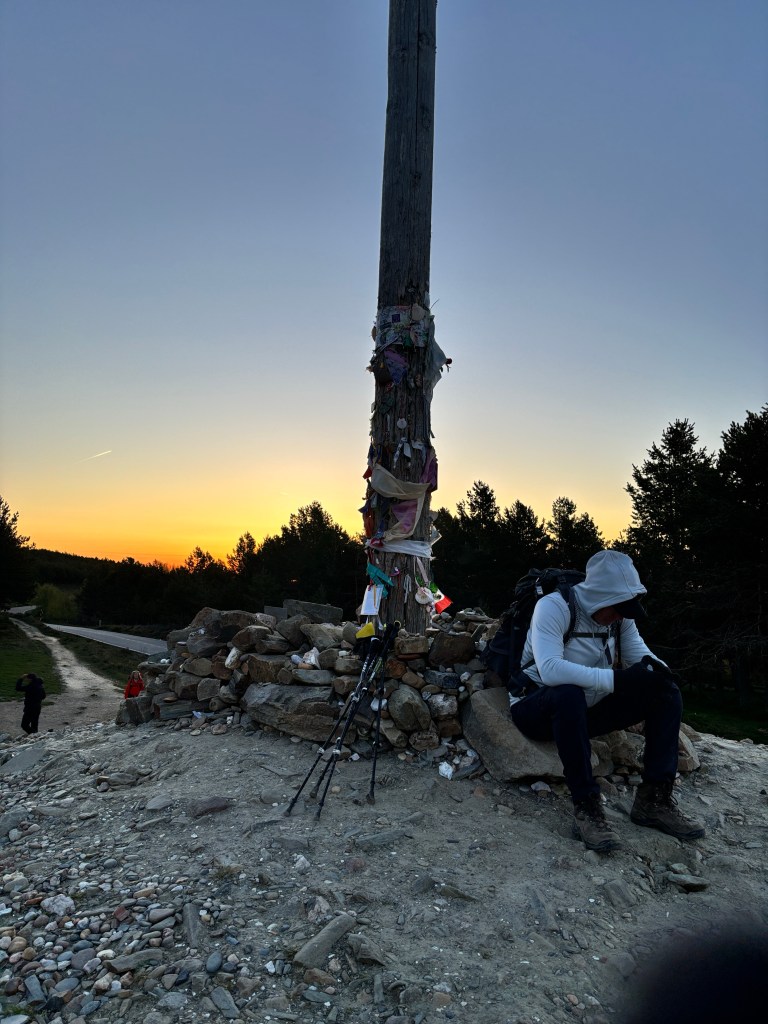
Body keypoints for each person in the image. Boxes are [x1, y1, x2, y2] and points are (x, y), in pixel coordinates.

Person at [509, 549, 705, 852]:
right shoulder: (554, 607)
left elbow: (638, 652)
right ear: (598, 598)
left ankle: (654, 801)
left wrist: (661, 671)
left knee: (666, 692)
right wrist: (618, 680)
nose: (620, 615)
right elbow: (550, 669)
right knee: (568, 693)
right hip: (537, 707)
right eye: (616, 608)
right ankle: (587, 806)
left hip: (586, 710)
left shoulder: (619, 616)